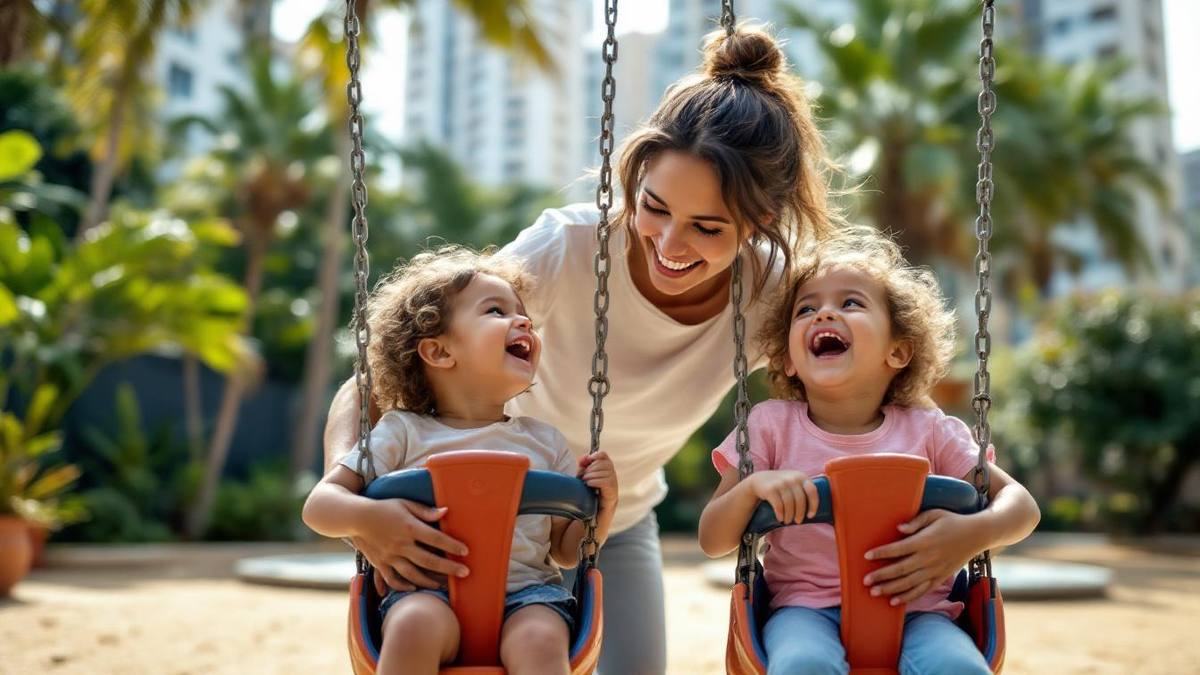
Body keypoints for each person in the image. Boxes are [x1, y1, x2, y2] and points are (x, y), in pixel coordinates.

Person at [324, 26, 840, 673]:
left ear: (760, 221)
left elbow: (869, 383)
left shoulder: (772, 294)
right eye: (654, 207)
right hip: (476, 516)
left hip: (609, 520)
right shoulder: (567, 250)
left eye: (707, 228)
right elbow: (373, 379)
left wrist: (952, 520)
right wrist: (359, 509)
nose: (669, 245)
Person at [697, 227, 1041, 675]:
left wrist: (972, 534)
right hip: (803, 612)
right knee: (802, 665)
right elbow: (712, 540)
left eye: (851, 303)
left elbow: (1023, 507)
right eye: (806, 308)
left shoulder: (930, 430)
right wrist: (752, 488)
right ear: (788, 359)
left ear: (897, 351)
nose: (824, 313)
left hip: (922, 612)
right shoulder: (769, 427)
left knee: (960, 668)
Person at [304, 247, 618, 675]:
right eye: (496, 311)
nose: (524, 322)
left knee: (541, 640)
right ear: (438, 352)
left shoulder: (544, 442)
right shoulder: (402, 431)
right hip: (425, 592)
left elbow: (566, 551)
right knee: (413, 626)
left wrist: (604, 506)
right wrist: (371, 519)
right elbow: (319, 507)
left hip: (528, 597)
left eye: (523, 314)